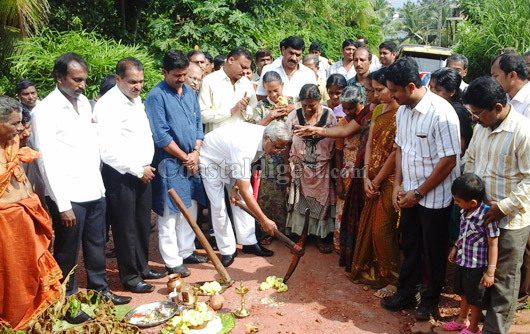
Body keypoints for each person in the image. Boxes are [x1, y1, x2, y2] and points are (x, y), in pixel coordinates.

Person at [32, 53, 130, 304]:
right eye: (76, 80)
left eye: (84, 80)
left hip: (93, 189)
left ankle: (100, 291)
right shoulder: (45, 110)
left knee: (96, 244)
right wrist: (62, 204)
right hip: (68, 194)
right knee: (67, 251)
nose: (82, 85)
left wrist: (100, 186)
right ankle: (69, 300)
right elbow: (46, 161)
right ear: (59, 77)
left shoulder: (85, 103)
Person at [379, 57, 461, 321]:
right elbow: (401, 148)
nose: (390, 95)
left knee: (433, 250)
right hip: (410, 192)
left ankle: (429, 301)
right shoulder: (403, 111)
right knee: (410, 243)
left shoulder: (442, 113)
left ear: (411, 86)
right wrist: (399, 186)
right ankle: (406, 293)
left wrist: (419, 193)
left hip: (434, 197)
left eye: (394, 90)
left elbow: (449, 160)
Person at [462, 77, 530, 334]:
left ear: (499, 107)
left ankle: (495, 330)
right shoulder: (481, 127)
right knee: (481, 275)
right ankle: (477, 324)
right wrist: (471, 196)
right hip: (480, 215)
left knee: (503, 280)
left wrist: (503, 207)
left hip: (510, 220)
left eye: (479, 113)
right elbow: (470, 160)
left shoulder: (523, 132)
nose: (475, 118)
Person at [94, 57, 166, 294]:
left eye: (141, 82)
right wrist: (137, 169)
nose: (138, 86)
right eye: (132, 81)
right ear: (118, 79)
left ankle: (142, 267)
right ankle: (130, 276)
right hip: (122, 174)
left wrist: (145, 167)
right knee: (125, 226)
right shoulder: (108, 105)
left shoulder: (135, 100)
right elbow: (108, 150)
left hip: (143, 171)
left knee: (142, 223)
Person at [0, 96, 62, 329]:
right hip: (6, 226)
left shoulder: (12, 143)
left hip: (26, 218)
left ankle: (38, 318)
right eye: (14, 124)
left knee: (34, 272)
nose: (20, 129)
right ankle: (15, 320)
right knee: (13, 275)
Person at [145, 50, 208, 277]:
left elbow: (199, 124)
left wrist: (196, 152)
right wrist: (186, 157)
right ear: (164, 72)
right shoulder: (156, 96)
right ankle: (172, 260)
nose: (181, 79)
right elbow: (161, 136)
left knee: (190, 208)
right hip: (169, 163)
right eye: (176, 75)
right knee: (169, 212)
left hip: (192, 159)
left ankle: (186, 250)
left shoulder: (190, 93)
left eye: (184, 74)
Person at [199, 121, 288, 267]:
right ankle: (227, 250)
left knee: (242, 201)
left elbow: (249, 164)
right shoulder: (245, 146)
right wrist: (264, 220)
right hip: (211, 162)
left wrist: (235, 187)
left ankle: (249, 243)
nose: (279, 151)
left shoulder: (264, 136)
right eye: (277, 147)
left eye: (283, 148)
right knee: (218, 207)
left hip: (231, 159)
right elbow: (245, 187)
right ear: (267, 138)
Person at [350, 68, 400, 298]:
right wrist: (367, 176)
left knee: (383, 230)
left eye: (380, 90)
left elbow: (394, 153)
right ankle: (374, 272)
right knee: (369, 225)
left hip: (390, 179)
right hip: (371, 177)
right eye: (374, 90)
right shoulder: (379, 109)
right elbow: (370, 143)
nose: (376, 95)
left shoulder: (403, 114)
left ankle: (394, 279)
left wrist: (377, 180)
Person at [442, 173, 499, 334]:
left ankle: (474, 328)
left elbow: (493, 243)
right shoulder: (464, 212)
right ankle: (462, 320)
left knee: (475, 299)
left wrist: (490, 272)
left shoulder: (487, 216)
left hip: (477, 266)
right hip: (463, 261)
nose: (456, 203)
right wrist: (455, 247)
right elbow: (463, 234)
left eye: (458, 201)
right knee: (463, 292)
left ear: (472, 202)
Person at [285, 84, 337, 253]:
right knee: (300, 201)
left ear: (319, 101)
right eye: (304, 105)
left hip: (322, 168)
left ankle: (320, 237)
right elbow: (287, 142)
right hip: (299, 168)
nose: (307, 109)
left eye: (312, 105)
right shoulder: (294, 115)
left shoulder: (329, 116)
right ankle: (302, 234)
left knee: (322, 200)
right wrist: (287, 165)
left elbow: (335, 142)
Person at [199, 47, 257, 133]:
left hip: (240, 138)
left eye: (247, 68)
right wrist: (231, 111)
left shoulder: (246, 83)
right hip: (217, 140)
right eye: (243, 67)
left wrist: (245, 109)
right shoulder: (210, 81)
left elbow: (254, 112)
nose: (245, 71)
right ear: (231, 60)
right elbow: (202, 115)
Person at [429, 67, 473, 155]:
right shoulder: (433, 107)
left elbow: (459, 148)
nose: (432, 92)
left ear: (452, 91)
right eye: (430, 87)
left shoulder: (457, 112)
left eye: (437, 90)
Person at [257, 36, 316, 100]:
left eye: (298, 55)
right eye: (291, 53)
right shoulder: (268, 70)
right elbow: (260, 96)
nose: (294, 58)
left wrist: (295, 105)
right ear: (283, 50)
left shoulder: (309, 74)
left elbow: (313, 99)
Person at [491, 53, 530, 118]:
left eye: (495, 76)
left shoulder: (528, 101)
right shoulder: (503, 98)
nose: (492, 81)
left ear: (512, 75)